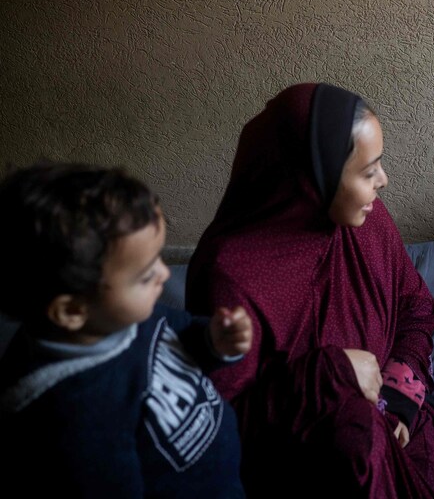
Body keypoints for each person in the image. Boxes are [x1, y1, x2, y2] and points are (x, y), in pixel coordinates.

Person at [185, 83, 434, 498]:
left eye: (380, 165)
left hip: (398, 422)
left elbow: (414, 305)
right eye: (367, 171)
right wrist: (331, 374)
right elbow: (225, 424)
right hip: (313, 458)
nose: (384, 181)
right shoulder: (230, 277)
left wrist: (399, 394)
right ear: (310, 178)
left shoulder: (365, 222)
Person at [0, 163, 251, 498]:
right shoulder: (78, 420)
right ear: (72, 311)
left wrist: (214, 342)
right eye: (145, 275)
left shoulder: (124, 317)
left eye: (160, 259)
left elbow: (181, 337)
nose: (165, 275)